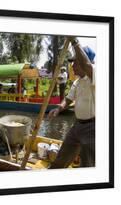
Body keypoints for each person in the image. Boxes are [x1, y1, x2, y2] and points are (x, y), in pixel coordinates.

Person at [48, 38, 96, 169]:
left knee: (88, 165)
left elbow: (88, 66)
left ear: (85, 63)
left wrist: (74, 42)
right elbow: (68, 99)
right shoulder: (77, 81)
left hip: (93, 128)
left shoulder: (95, 76)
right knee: (62, 157)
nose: (72, 66)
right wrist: (59, 108)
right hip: (77, 125)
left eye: (75, 62)